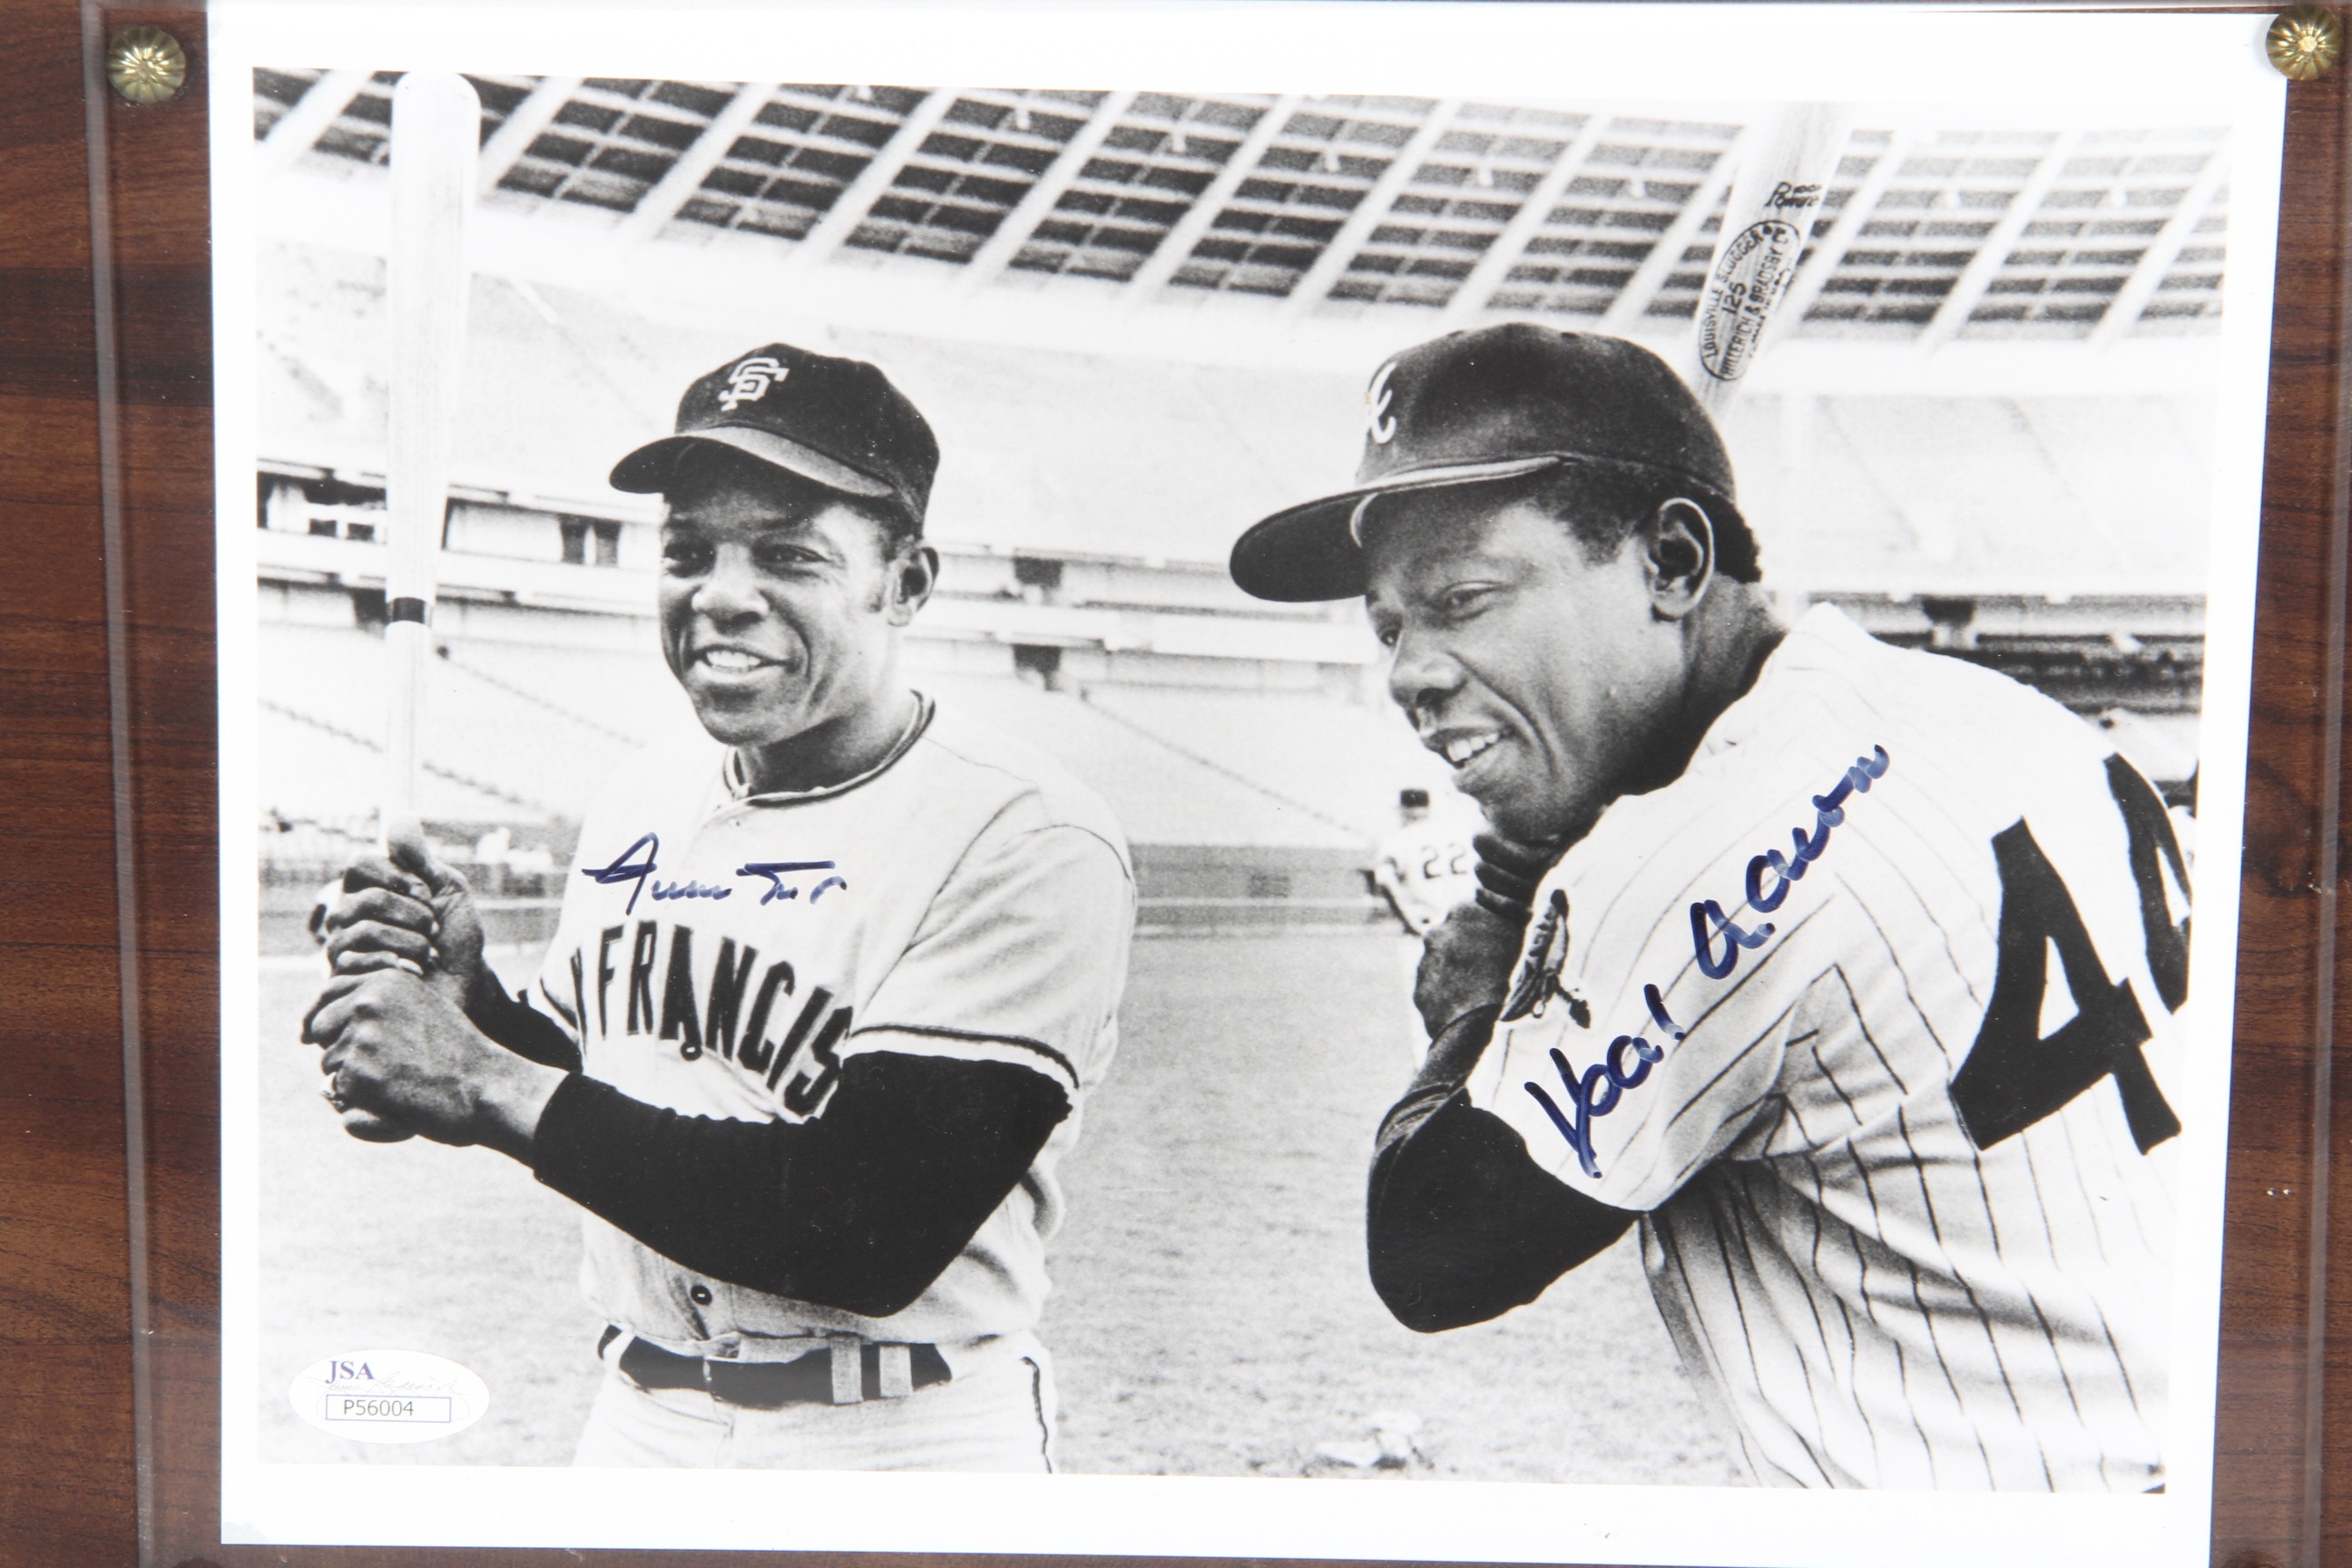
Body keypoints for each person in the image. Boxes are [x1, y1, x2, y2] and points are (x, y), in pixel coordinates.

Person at [1228, 323, 2189, 1490]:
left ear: (1673, 565)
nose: (1408, 673)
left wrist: (1476, 999)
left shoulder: (1693, 855)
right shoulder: (1992, 711)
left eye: (1463, 599)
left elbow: (1433, 1255)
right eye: (1389, 625)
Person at [306, 342, 1135, 1471]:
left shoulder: (1025, 834)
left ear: (905, 584)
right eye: (688, 552)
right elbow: (614, 1083)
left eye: (789, 555)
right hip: (638, 1414)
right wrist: (472, 1004)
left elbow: (866, 1227)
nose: (722, 596)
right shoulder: (642, 791)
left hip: (901, 1440)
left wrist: (478, 1079)